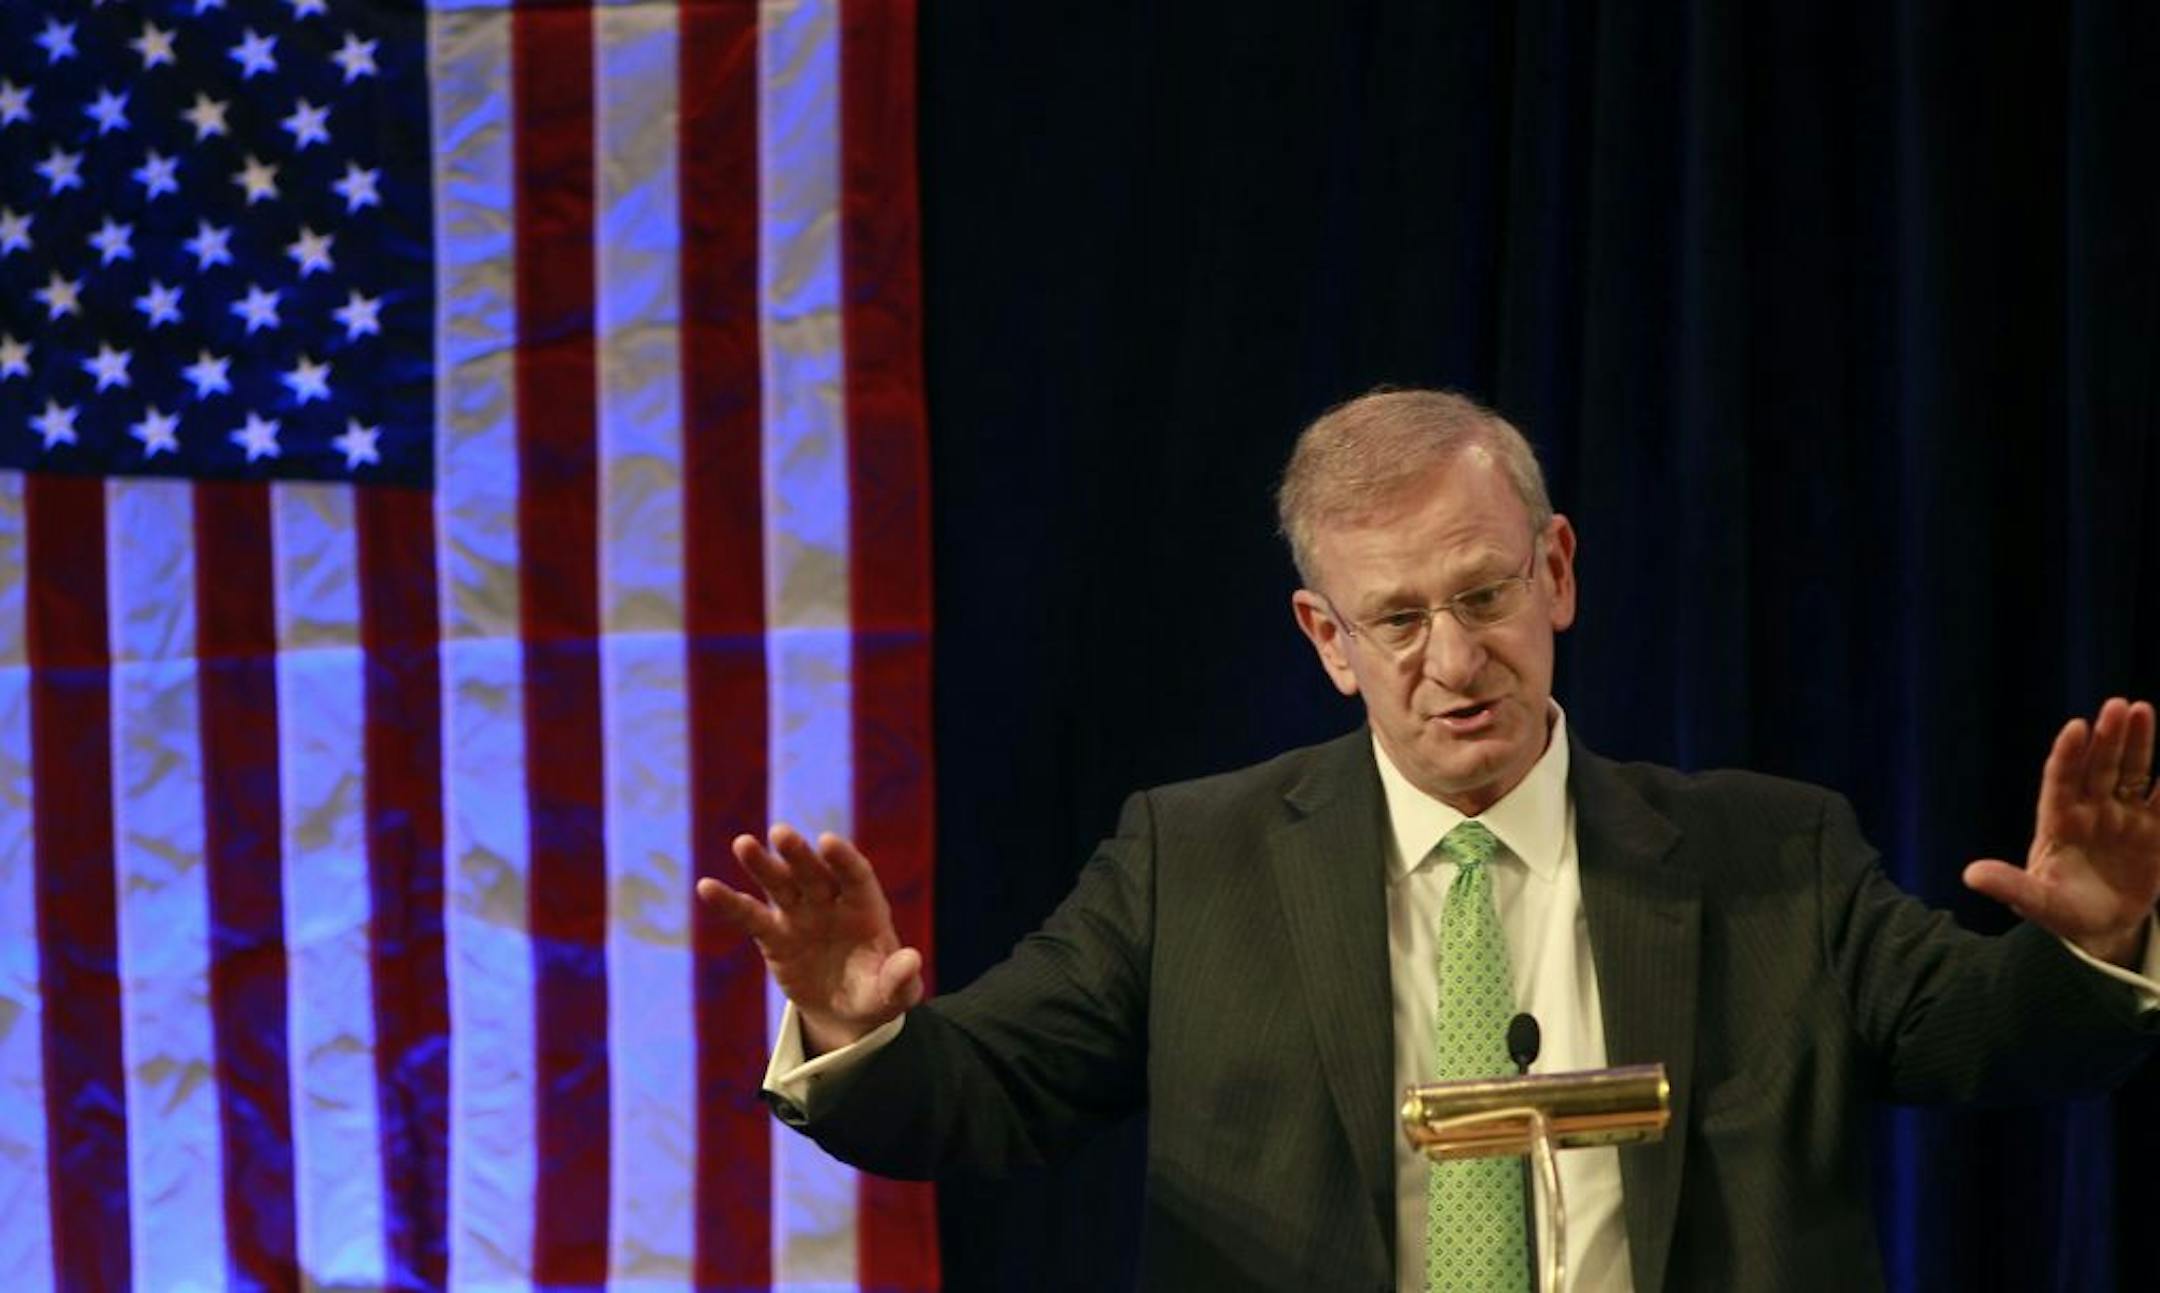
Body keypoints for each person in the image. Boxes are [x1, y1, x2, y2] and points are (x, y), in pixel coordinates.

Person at [698, 389, 2160, 1292]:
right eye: (1396, 619)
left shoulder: (1766, 851)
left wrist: (2091, 944)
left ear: (1559, 572)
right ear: (1324, 638)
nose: (1453, 661)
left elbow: (1992, 1038)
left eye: (1482, 596)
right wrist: (846, 1022)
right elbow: (975, 1093)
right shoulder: (1187, 862)